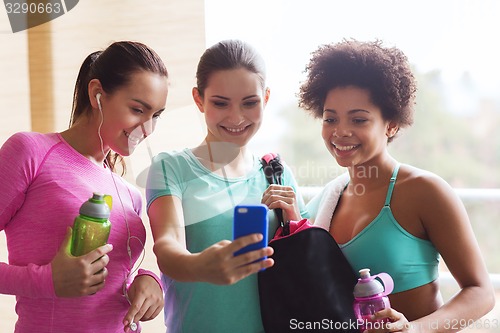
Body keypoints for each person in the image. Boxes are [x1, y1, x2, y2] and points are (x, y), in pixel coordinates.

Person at [299, 39, 495, 332]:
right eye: (330, 119)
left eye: (359, 119)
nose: (340, 131)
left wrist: (414, 329)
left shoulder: (424, 191)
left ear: (390, 124)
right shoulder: (325, 202)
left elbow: (481, 292)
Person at [0, 41, 169, 333]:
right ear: (97, 94)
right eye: (138, 109)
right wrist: (47, 281)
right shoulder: (31, 153)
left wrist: (146, 281)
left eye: (155, 115)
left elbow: (111, 281)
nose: (148, 128)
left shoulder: (128, 194)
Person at [146, 39, 308, 333]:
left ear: (266, 97)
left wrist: (295, 220)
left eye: (250, 102)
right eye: (220, 103)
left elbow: (305, 268)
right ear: (199, 99)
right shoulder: (171, 168)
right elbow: (166, 248)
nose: (236, 118)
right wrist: (201, 266)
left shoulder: (277, 173)